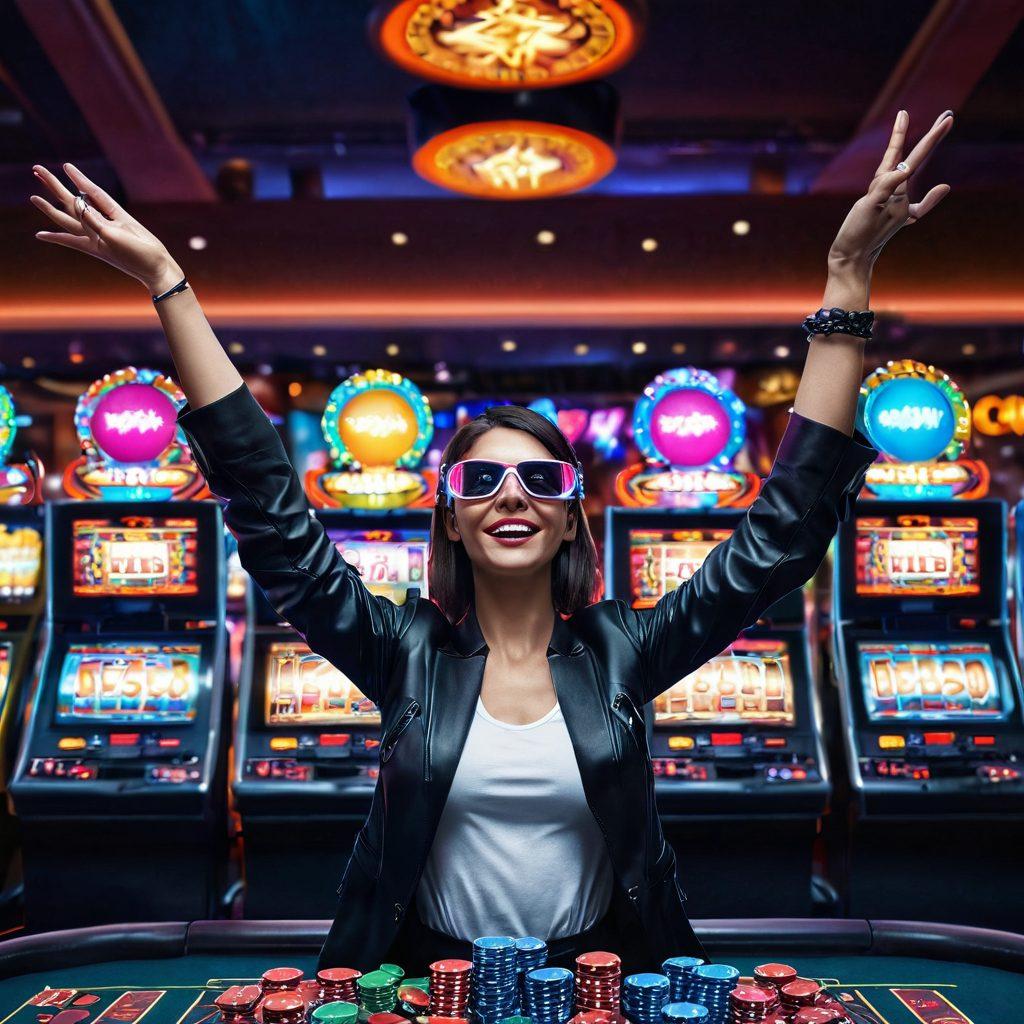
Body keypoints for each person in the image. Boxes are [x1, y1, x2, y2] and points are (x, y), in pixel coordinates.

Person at [29, 108, 954, 974]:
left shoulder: (621, 652)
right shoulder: (405, 651)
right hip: (426, 980)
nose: (512, 495)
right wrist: (168, 286)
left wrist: (846, 286)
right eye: (480, 479)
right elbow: (273, 517)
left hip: (600, 980)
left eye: (541, 478)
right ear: (450, 513)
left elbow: (782, 537)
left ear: (569, 513)